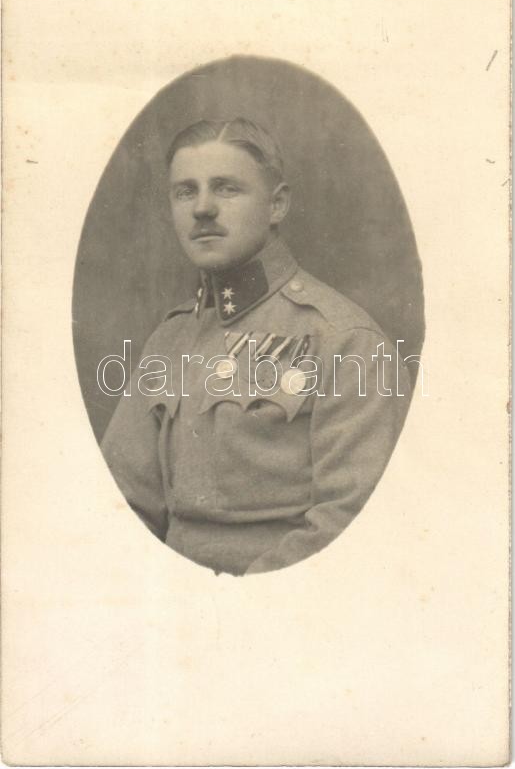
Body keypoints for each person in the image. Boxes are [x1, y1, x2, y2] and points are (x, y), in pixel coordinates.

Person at [101, 117, 411, 575]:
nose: (202, 208)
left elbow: (349, 522)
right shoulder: (169, 340)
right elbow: (120, 504)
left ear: (277, 205)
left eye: (226, 188)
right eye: (185, 191)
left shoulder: (346, 341)